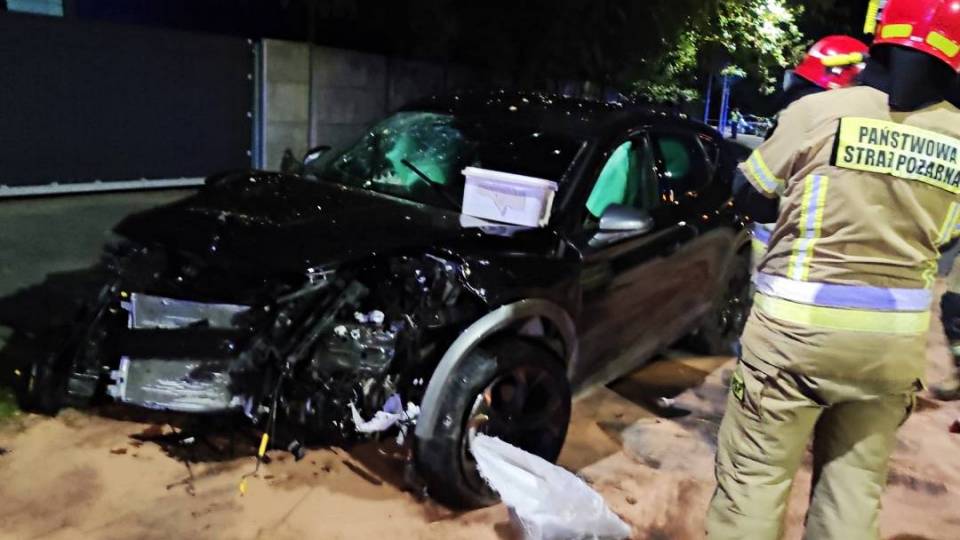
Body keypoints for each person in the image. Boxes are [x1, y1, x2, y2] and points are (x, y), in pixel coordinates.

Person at [707, 1, 960, 538]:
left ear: (882, 32)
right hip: (891, 348)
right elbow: (948, 236)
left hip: (793, 337)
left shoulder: (819, 111)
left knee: (754, 482)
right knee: (853, 494)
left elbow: (749, 193)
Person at [748, 35, 869, 276]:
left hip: (788, 267)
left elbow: (752, 194)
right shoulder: (865, 133)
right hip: (853, 272)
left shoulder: (802, 118)